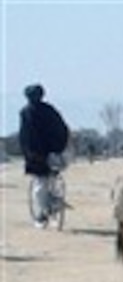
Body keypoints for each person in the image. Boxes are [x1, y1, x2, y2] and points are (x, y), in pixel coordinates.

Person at [19, 83, 70, 227]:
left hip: (37, 155)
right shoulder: (50, 110)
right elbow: (63, 129)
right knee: (50, 178)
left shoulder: (26, 112)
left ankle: (42, 214)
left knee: (40, 184)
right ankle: (55, 202)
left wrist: (28, 153)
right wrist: (60, 147)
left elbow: (25, 137)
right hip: (55, 152)